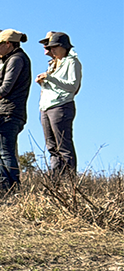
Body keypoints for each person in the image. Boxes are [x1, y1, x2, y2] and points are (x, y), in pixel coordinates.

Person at [0, 29, 32, 195]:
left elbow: (6, 87)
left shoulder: (17, 59)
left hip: (9, 112)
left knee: (4, 152)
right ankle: (5, 185)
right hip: (5, 111)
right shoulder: (13, 58)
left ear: (8, 44)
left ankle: (12, 187)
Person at [37, 31, 82, 176]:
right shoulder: (54, 63)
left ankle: (69, 181)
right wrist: (43, 82)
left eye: (55, 46)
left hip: (61, 105)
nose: (52, 50)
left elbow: (73, 86)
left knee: (64, 145)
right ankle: (56, 180)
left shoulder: (72, 62)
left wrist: (50, 78)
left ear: (64, 46)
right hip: (46, 106)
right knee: (52, 147)